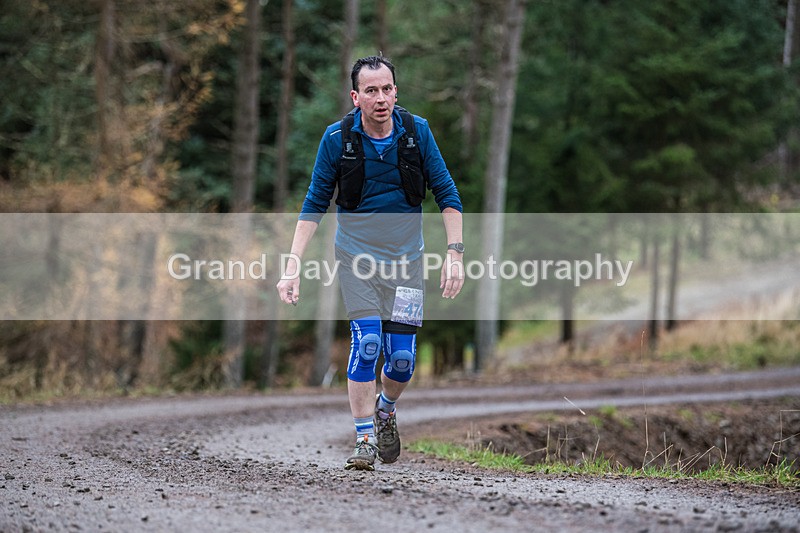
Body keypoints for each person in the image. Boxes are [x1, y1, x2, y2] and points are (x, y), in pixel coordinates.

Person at [276, 55, 464, 470]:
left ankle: (385, 409)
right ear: (355, 96)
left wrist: (455, 254)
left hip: (407, 265)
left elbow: (448, 195)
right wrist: (292, 266)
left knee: (401, 360)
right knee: (368, 345)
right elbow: (313, 205)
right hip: (357, 261)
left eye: (387, 89)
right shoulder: (336, 140)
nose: (381, 99)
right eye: (371, 91)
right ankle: (364, 438)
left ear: (396, 92)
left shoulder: (417, 133)